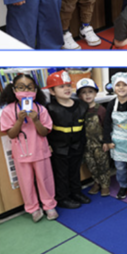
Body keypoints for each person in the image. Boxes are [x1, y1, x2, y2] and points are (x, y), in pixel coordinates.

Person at [0, 71, 57, 221]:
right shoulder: (8, 110)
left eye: (29, 87)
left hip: (40, 152)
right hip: (21, 154)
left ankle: (49, 206)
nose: (26, 91)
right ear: (14, 90)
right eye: (21, 87)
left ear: (36, 90)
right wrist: (19, 121)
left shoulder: (41, 110)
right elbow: (11, 134)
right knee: (26, 183)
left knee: (45, 180)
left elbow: (44, 132)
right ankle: (33, 208)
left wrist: (36, 120)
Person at [45, 70, 89, 210]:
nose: (66, 89)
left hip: (77, 145)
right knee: (61, 174)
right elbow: (46, 130)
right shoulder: (50, 109)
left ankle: (76, 193)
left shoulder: (82, 105)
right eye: (61, 86)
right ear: (52, 91)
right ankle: (63, 197)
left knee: (74, 171)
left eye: (68, 85)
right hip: (59, 148)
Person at [102, 72, 127, 202]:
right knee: (120, 167)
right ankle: (123, 186)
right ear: (113, 87)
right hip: (116, 142)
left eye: (125, 85)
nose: (121, 87)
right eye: (118, 85)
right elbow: (107, 123)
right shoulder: (112, 103)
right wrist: (107, 140)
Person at [76, 78, 111, 197]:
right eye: (83, 92)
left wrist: (107, 141)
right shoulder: (79, 110)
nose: (87, 95)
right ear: (79, 95)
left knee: (103, 165)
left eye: (90, 91)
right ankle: (97, 182)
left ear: (95, 93)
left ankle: (105, 184)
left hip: (99, 144)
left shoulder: (100, 109)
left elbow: (106, 127)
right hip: (86, 144)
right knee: (91, 165)